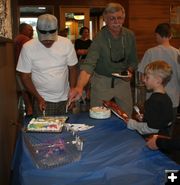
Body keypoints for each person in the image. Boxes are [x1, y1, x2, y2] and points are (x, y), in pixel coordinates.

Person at [69, 3, 138, 116]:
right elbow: (88, 65)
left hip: (122, 82)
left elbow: (133, 60)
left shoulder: (129, 35)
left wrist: (129, 72)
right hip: (102, 81)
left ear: (124, 18)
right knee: (97, 114)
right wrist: (79, 87)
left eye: (119, 18)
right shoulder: (99, 38)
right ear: (105, 19)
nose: (116, 22)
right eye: (112, 19)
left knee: (126, 116)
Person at [16, 14, 78, 117]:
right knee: (44, 131)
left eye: (51, 38)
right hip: (42, 99)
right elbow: (25, 76)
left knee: (66, 129)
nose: (48, 41)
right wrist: (38, 97)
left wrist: (72, 90)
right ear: (37, 30)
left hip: (65, 97)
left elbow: (73, 68)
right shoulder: (28, 47)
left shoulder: (66, 44)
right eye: (44, 39)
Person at [138, 23, 180, 123]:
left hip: (154, 98)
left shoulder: (150, 52)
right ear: (171, 36)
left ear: (157, 35)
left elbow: (141, 74)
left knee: (152, 125)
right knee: (168, 128)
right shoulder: (178, 53)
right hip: (173, 98)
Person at [127, 61, 173, 136]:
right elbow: (160, 119)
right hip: (164, 134)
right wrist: (145, 118)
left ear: (158, 80)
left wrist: (133, 124)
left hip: (154, 138)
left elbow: (152, 128)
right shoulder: (166, 97)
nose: (144, 80)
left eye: (147, 77)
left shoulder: (154, 101)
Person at [14, 23, 34, 116]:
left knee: (23, 89)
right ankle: (30, 108)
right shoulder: (24, 39)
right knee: (27, 89)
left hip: (18, 68)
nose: (32, 31)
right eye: (29, 30)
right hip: (26, 69)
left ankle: (28, 107)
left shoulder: (16, 38)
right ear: (23, 30)